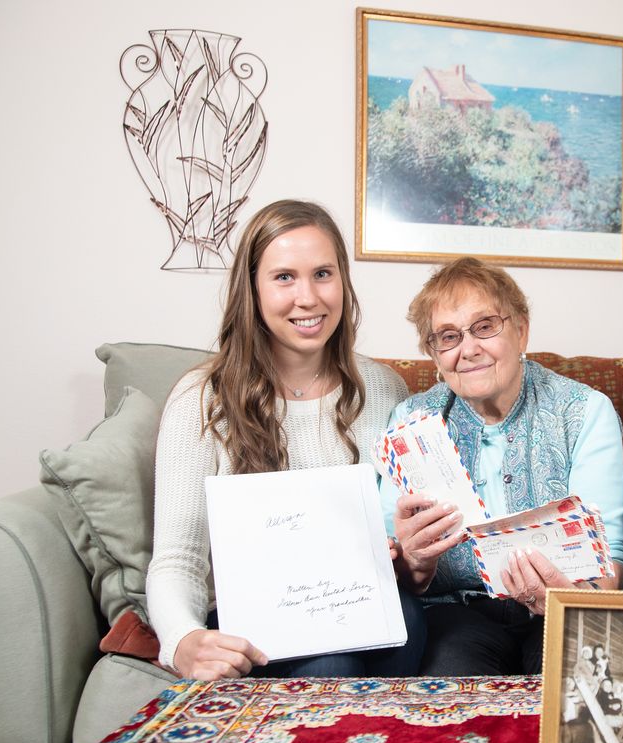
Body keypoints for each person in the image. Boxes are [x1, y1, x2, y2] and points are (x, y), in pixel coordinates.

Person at [146, 200, 425, 681]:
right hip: (257, 622)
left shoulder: (384, 390)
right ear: (251, 289)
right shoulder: (201, 399)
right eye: (283, 278)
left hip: (367, 610)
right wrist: (182, 640)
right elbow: (178, 556)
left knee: (406, 628)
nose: (308, 297)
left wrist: (403, 555)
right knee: (331, 664)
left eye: (322, 273)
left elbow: (400, 532)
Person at [383, 257, 623, 676]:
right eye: (448, 337)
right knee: (451, 682)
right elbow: (395, 567)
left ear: (521, 330)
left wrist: (561, 597)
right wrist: (414, 561)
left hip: (564, 608)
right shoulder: (410, 422)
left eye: (485, 327)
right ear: (435, 355)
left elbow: (611, 561)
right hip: (455, 613)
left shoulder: (584, 410)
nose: (469, 349)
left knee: (578, 675)